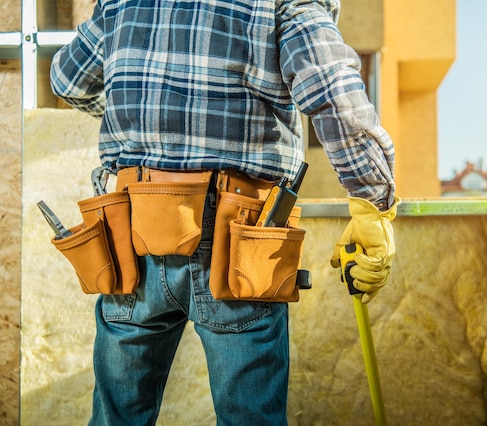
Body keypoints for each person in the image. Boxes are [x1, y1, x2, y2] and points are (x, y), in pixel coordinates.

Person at [50, 1, 399, 424]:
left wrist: (137, 120)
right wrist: (373, 203)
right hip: (239, 235)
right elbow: (331, 90)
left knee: (116, 417)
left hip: (132, 231)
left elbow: (67, 81)